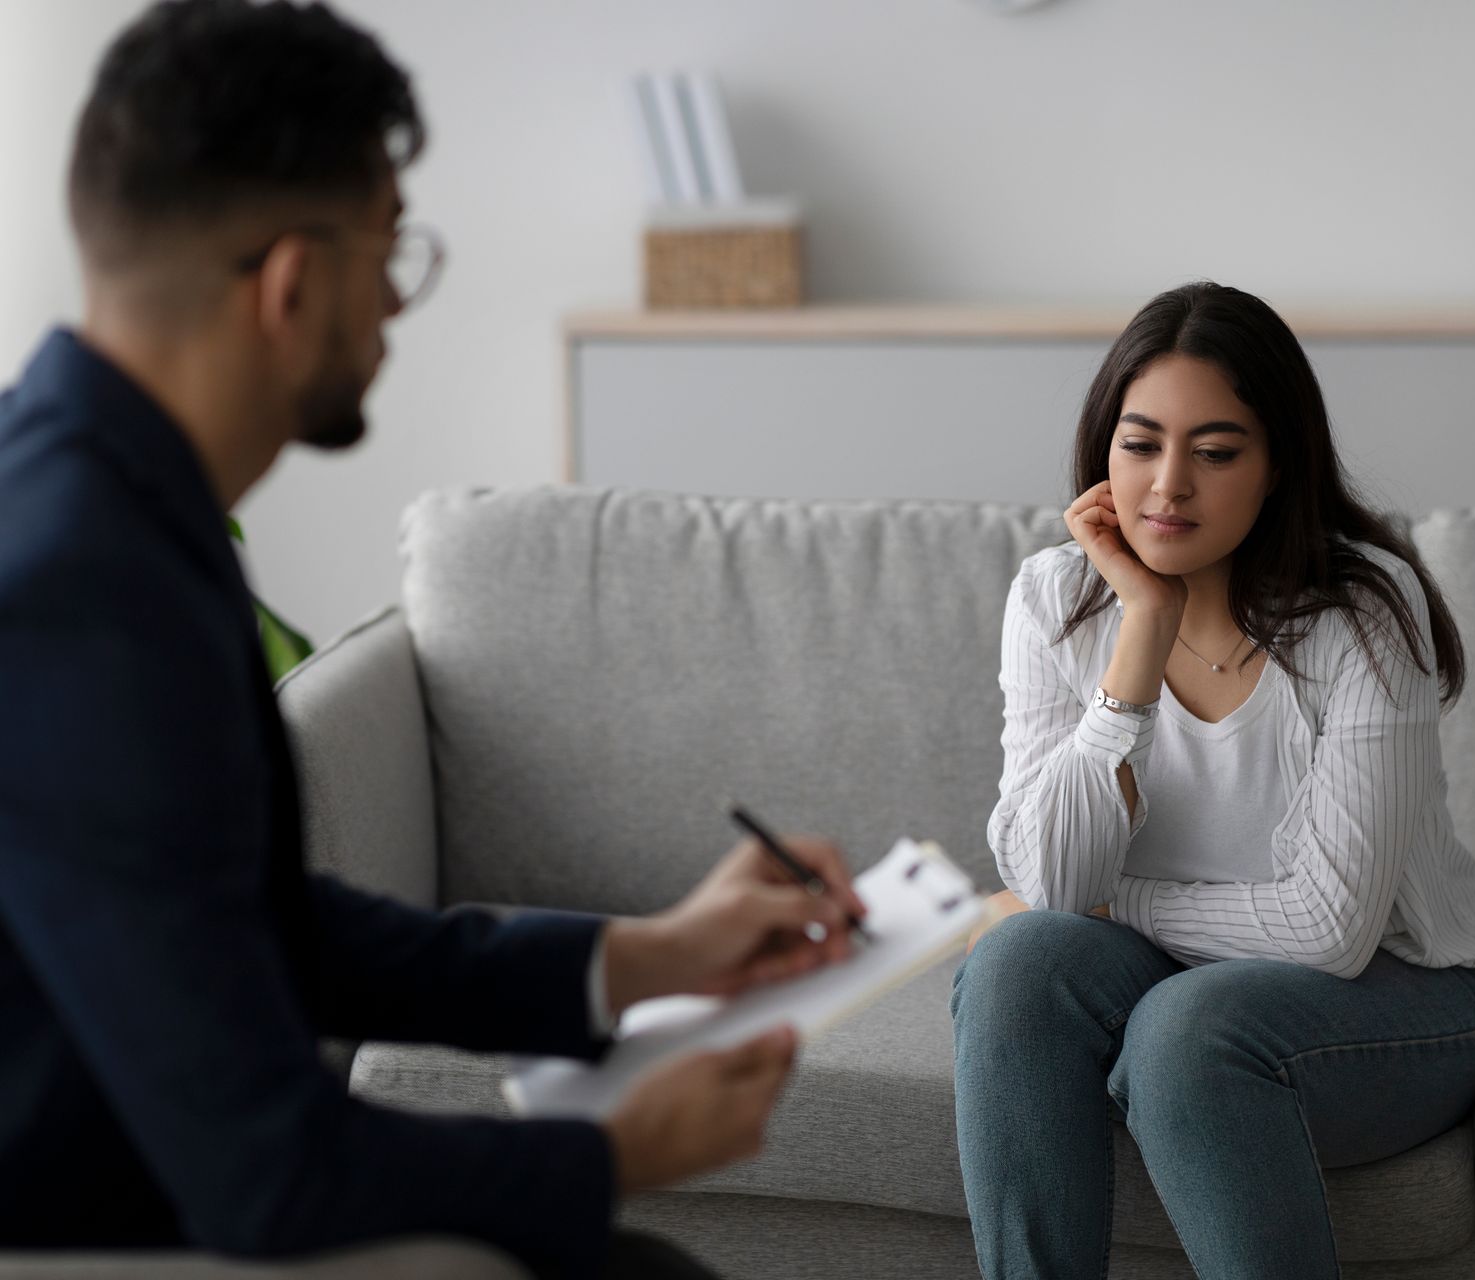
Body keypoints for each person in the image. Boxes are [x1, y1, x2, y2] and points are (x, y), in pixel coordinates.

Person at [0, 3, 868, 1277]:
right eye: (391, 254)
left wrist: (642, 956)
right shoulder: (83, 583)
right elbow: (268, 1171)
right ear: (295, 282)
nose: (397, 309)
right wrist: (623, 1148)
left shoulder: (88, 494)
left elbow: (252, 921)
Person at [950, 282, 1475, 1279]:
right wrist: (1139, 638)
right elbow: (1055, 874)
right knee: (1020, 964)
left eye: (1215, 452)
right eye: (1140, 444)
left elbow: (1330, 931)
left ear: (1274, 467)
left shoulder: (1364, 611)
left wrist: (1105, 898)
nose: (1168, 485)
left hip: (1406, 993)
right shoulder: (1055, 595)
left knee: (1182, 1022)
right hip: (1185, 984)